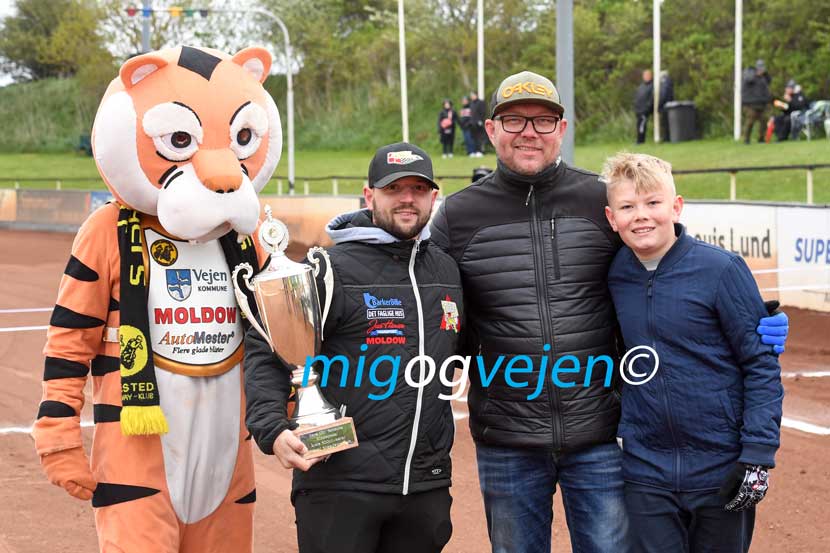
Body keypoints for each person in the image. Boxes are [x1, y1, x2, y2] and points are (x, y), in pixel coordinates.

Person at [429, 69, 789, 553]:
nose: (529, 132)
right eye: (514, 120)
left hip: (600, 436)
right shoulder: (456, 215)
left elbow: (664, 267)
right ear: (491, 130)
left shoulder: (599, 199)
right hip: (507, 439)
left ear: (562, 129)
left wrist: (755, 319)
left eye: (543, 120)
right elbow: (426, 300)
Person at [245, 142, 463, 553]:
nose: (407, 199)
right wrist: (272, 427)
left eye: (418, 189)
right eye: (394, 188)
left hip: (426, 485)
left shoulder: (447, 270)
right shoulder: (330, 268)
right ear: (369, 195)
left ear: (433, 197)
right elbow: (268, 344)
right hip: (340, 484)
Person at [603, 152, 783, 553]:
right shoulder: (612, 275)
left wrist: (757, 455)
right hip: (645, 472)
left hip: (721, 467)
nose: (641, 216)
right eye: (628, 207)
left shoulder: (721, 269)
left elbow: (760, 365)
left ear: (676, 207)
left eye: (653, 202)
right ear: (612, 218)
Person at [742, 59, 773, 144]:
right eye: (760, 68)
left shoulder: (763, 77)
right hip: (750, 104)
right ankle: (746, 139)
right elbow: (748, 79)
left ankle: (761, 139)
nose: (762, 70)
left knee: (764, 120)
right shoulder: (749, 74)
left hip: (762, 103)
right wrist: (755, 74)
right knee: (750, 121)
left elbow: (769, 81)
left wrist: (765, 74)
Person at [633, 69, 654, 144]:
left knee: (642, 125)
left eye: (647, 75)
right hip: (638, 109)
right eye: (645, 75)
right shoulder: (641, 86)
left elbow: (651, 99)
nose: (646, 77)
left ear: (651, 76)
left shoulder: (652, 86)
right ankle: (639, 140)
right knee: (638, 125)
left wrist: (647, 108)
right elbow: (637, 97)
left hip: (645, 110)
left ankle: (641, 141)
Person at [469, 91, 487, 156]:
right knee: (474, 138)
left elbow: (483, 112)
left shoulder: (481, 102)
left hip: (479, 123)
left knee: (480, 138)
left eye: (473, 95)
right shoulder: (471, 103)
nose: (472, 96)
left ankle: (480, 151)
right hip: (472, 123)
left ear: (476, 95)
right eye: (471, 95)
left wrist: (480, 120)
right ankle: (475, 151)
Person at [658, 70, 674, 141]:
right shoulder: (669, 82)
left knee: (665, 123)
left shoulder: (665, 83)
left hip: (665, 106)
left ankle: (666, 138)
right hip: (668, 105)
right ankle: (667, 137)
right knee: (667, 123)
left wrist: (659, 105)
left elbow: (663, 95)